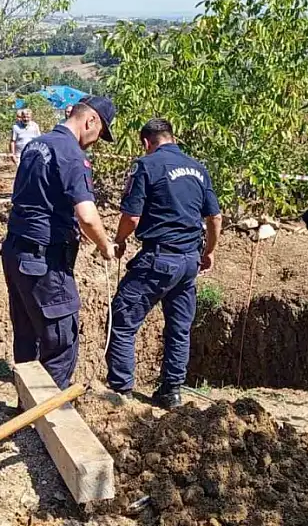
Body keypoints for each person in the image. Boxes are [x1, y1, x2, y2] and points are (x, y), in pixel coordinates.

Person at [1, 96, 118, 389]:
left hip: (16, 252)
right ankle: (49, 421)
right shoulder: (71, 155)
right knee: (60, 340)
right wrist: (106, 247)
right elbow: (87, 216)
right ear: (90, 120)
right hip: (45, 261)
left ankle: (25, 412)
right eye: (99, 133)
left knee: (27, 337)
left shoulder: (35, 145)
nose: (94, 141)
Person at [105, 118, 222, 408]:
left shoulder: (146, 165)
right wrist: (208, 251)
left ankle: (121, 393)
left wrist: (118, 242)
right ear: (172, 137)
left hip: (159, 259)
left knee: (122, 320)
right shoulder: (198, 168)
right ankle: (171, 392)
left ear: (146, 143)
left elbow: (131, 217)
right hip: (188, 261)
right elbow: (215, 218)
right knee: (179, 328)